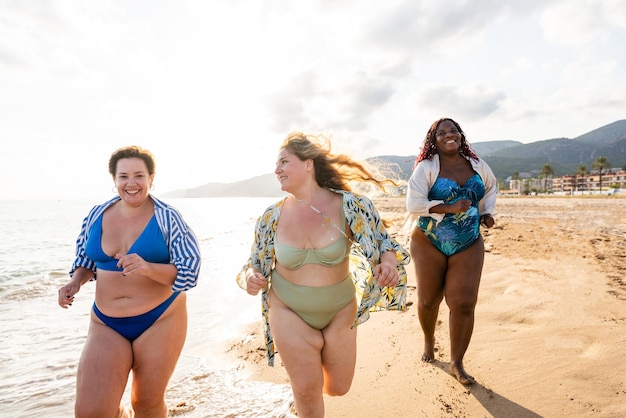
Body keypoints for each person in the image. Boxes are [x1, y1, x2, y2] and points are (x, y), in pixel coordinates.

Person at [237, 132, 410, 418]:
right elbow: (253, 264)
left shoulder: (352, 206)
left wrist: (388, 264)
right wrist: (252, 279)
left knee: (338, 387)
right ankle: (303, 396)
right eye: (275, 164)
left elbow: (384, 245)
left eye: (284, 161)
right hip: (287, 309)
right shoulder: (271, 216)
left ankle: (305, 393)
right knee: (307, 389)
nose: (276, 169)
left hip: (339, 310)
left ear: (308, 164)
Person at [57, 145, 201, 417]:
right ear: (114, 180)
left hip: (161, 318)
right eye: (123, 176)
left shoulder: (167, 217)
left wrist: (148, 268)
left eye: (139, 175)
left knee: (146, 403)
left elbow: (190, 270)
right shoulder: (97, 215)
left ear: (151, 178)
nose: (131, 183)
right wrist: (75, 282)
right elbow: (86, 260)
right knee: (91, 411)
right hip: (106, 321)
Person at [405, 117, 496, 386]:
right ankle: (429, 340)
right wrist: (448, 208)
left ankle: (457, 362)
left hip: (468, 240)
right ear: (433, 141)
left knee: (464, 302)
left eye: (453, 130)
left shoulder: (477, 165)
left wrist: (487, 212)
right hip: (429, 239)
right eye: (442, 132)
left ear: (460, 135)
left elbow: (490, 188)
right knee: (428, 300)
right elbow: (414, 203)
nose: (449, 135)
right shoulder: (426, 167)